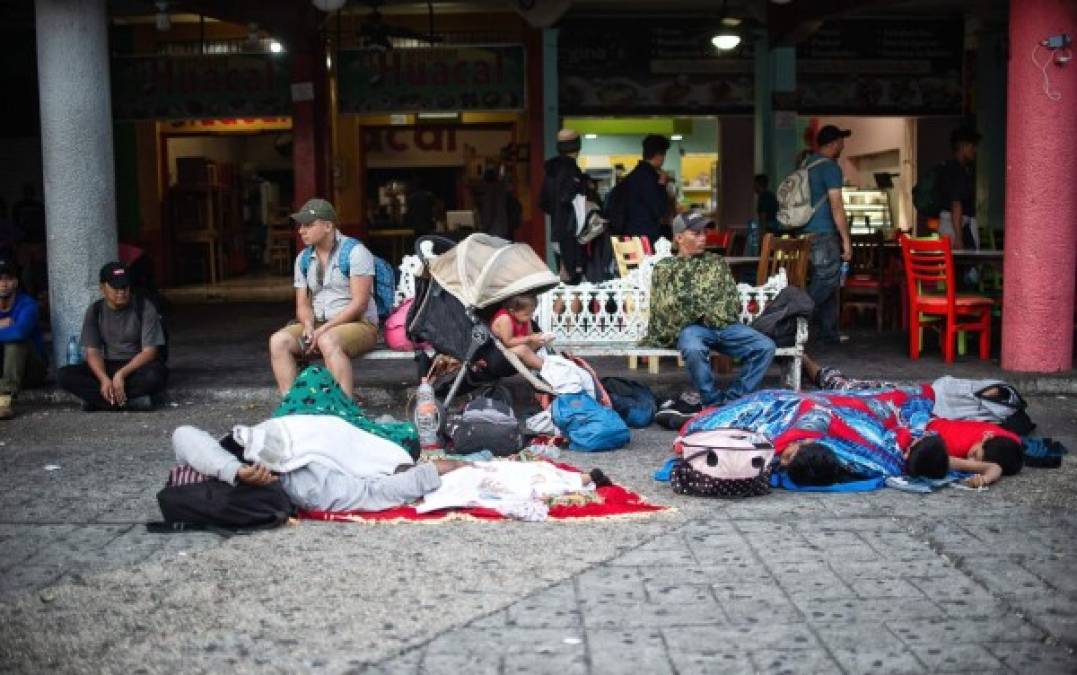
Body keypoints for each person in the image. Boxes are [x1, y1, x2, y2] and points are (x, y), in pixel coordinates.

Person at [648, 211, 776, 428]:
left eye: (704, 232)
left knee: (765, 347)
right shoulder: (665, 268)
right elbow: (668, 307)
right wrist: (704, 310)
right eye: (696, 233)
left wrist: (703, 309)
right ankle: (710, 401)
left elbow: (730, 300)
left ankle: (732, 402)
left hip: (724, 326)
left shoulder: (716, 263)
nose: (703, 238)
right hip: (692, 329)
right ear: (679, 237)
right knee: (694, 348)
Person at [269, 198, 379, 399]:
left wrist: (324, 330)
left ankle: (343, 408)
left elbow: (359, 303)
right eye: (301, 226)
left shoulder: (355, 252)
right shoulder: (303, 259)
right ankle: (293, 403)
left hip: (359, 324)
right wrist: (309, 325)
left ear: (328, 226)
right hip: (319, 323)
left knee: (328, 340)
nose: (301, 231)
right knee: (279, 341)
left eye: (308, 225)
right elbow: (302, 304)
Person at [58, 262, 168, 411]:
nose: (121, 292)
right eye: (115, 287)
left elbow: (149, 352)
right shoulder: (95, 310)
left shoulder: (144, 307)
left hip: (137, 366)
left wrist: (121, 374)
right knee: (64, 375)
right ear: (102, 288)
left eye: (124, 287)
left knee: (154, 377)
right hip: (109, 364)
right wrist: (104, 379)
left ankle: (98, 402)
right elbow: (93, 352)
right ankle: (131, 402)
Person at [803, 125, 853, 345]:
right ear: (833, 144)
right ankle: (793, 319)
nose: (843, 145)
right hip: (824, 232)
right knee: (825, 280)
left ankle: (828, 333)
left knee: (827, 281)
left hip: (806, 232)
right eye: (841, 141)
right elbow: (836, 206)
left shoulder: (807, 164)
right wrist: (846, 240)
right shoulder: (831, 168)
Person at [0, 256, 47, 419]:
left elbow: (19, 332)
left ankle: (5, 400)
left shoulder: (28, 304)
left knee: (15, 342)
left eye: (8, 279)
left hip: (31, 370)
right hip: (4, 370)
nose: (3, 283)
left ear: (16, 282)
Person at [540, 129, 587, 283]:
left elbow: (544, 204)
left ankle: (556, 307)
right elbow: (569, 198)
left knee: (566, 278)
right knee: (574, 281)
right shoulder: (572, 170)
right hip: (572, 234)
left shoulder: (550, 171)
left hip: (556, 232)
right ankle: (557, 308)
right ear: (577, 147)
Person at [621, 134, 672, 244]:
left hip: (629, 235)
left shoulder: (633, 175)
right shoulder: (651, 178)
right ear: (659, 155)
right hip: (645, 238)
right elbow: (660, 210)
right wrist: (662, 185)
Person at [938, 127, 981, 250]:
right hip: (958, 226)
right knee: (968, 266)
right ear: (964, 146)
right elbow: (956, 204)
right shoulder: (958, 171)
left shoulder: (947, 168)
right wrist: (958, 237)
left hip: (947, 224)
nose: (975, 151)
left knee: (953, 267)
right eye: (973, 147)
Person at [490, 294, 551, 370]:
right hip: (499, 353)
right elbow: (508, 342)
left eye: (532, 312)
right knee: (523, 349)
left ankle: (543, 364)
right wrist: (530, 338)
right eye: (527, 314)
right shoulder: (505, 319)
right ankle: (549, 370)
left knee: (539, 341)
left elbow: (530, 335)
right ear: (512, 311)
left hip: (513, 349)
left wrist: (539, 337)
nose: (531, 316)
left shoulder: (524, 318)